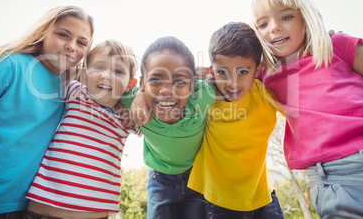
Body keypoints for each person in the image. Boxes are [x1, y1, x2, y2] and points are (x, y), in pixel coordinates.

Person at [0, 6, 94, 218]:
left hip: (21, 206)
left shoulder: (69, 90)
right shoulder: (10, 65)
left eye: (81, 42)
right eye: (63, 35)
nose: (71, 46)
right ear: (43, 33)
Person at [250, 0, 363, 219]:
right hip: (334, 179)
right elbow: (230, 76)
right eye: (263, 24)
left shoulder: (336, 46)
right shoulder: (267, 76)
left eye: (287, 16)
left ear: (305, 19)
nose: (275, 27)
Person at [24, 40, 141, 219]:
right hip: (43, 210)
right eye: (99, 68)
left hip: (94, 214)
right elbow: (52, 67)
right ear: (84, 75)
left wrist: (136, 100)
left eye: (117, 71)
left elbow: (160, 114)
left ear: (130, 85)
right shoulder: (75, 93)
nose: (107, 76)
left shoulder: (128, 118)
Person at [187, 22, 284, 219]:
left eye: (243, 72)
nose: (232, 83)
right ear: (212, 70)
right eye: (223, 72)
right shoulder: (205, 95)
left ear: (257, 71)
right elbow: (164, 87)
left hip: (263, 196)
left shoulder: (265, 95)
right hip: (218, 200)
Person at [120, 36, 216, 219]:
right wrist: (136, 96)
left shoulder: (203, 97)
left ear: (193, 85)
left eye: (179, 82)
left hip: (198, 177)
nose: (166, 90)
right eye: (155, 80)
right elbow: (96, 86)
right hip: (160, 180)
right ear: (141, 83)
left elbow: (234, 78)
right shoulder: (131, 100)